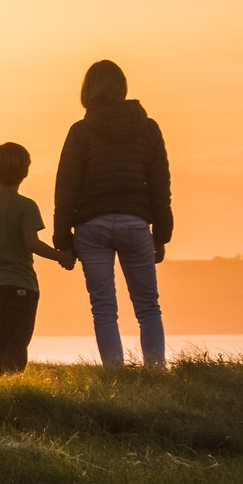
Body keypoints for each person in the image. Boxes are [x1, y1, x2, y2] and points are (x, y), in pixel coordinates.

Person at [53, 59, 173, 369]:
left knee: (104, 308)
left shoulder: (80, 132)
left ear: (87, 91)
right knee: (148, 307)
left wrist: (62, 239)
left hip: (91, 225)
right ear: (122, 88)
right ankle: (156, 372)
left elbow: (65, 187)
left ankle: (115, 375)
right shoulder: (148, 128)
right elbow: (160, 185)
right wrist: (161, 236)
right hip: (135, 222)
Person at [0, 142, 72, 374]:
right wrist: (61, 256)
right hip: (22, 283)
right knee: (17, 340)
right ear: (25, 171)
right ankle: (13, 385)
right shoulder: (26, 206)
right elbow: (32, 243)